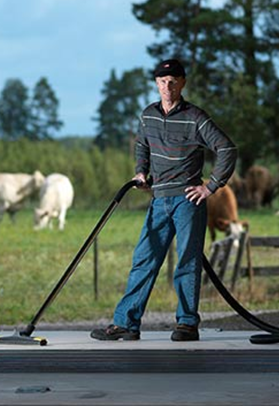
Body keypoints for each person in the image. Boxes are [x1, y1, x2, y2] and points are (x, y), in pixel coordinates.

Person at [91, 59, 237, 342]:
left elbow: (227, 149)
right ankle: (126, 324)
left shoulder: (196, 117)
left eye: (172, 82)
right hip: (159, 200)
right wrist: (140, 171)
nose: (167, 87)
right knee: (144, 259)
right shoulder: (148, 116)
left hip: (188, 201)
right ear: (156, 84)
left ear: (182, 83)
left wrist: (211, 187)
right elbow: (142, 144)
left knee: (187, 261)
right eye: (162, 82)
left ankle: (186, 324)